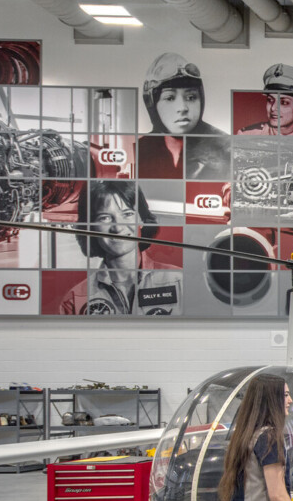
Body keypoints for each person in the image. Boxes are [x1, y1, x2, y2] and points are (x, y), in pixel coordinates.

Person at [58, 182, 182, 315]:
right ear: (90, 228)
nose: (118, 228)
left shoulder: (180, 281)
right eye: (104, 217)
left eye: (127, 214)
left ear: (142, 221)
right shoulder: (74, 300)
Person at [138, 52, 230, 179]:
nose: (182, 108)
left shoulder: (227, 148)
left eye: (191, 97)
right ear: (151, 103)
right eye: (170, 98)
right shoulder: (141, 149)